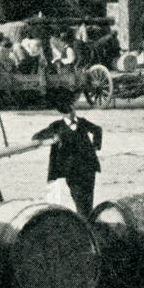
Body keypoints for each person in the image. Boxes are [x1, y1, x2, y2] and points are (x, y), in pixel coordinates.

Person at [34, 90, 102, 218]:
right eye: (67, 112)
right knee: (79, 199)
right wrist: (53, 136)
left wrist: (95, 147)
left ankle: (87, 221)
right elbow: (37, 136)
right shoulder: (56, 126)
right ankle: (85, 222)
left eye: (72, 110)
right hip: (72, 171)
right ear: (62, 113)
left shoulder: (82, 122)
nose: (71, 114)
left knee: (88, 198)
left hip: (88, 168)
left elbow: (98, 130)